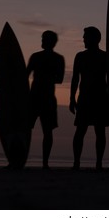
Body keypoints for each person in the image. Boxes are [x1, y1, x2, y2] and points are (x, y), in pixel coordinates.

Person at [70, 27, 109, 170]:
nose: (83, 39)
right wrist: (71, 98)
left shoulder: (105, 57)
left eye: (86, 37)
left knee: (100, 131)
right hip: (84, 98)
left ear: (95, 39)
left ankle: (99, 163)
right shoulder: (80, 56)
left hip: (100, 98)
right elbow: (75, 79)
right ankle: (76, 162)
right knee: (80, 130)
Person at [27, 30, 65, 169]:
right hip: (35, 97)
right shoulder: (37, 56)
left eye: (44, 38)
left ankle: (45, 163)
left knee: (47, 131)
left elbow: (59, 79)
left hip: (44, 98)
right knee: (28, 128)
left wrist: (43, 77)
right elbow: (25, 75)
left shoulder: (55, 58)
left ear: (51, 41)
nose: (42, 41)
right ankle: (39, 162)